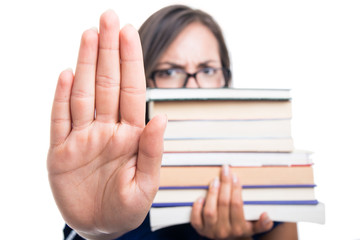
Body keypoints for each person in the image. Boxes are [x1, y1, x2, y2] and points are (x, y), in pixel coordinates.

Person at [48, 5, 298, 240]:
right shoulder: (104, 178)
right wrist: (99, 233)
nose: (193, 87)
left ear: (225, 79)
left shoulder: (265, 178)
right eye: (169, 72)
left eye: (208, 70)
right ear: (140, 83)